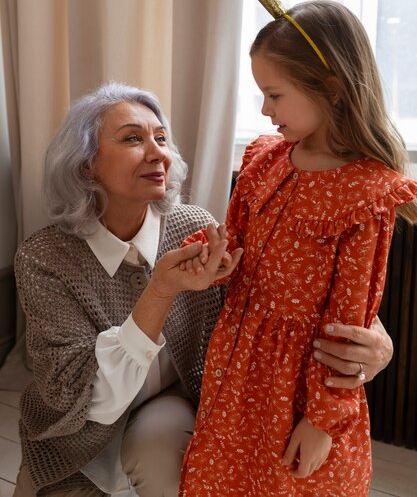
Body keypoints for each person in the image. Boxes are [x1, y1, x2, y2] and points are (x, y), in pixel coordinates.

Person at [13, 82, 393, 497]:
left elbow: (284, 288)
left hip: (174, 403)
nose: (159, 152)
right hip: (76, 428)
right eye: (133, 139)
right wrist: (161, 289)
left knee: (163, 456)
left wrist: (378, 340)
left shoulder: (193, 226)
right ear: (87, 165)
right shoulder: (44, 258)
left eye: (161, 138)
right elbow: (80, 398)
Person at [179, 0, 417, 497]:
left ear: (331, 90)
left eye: (275, 94)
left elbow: (349, 327)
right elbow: (234, 238)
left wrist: (323, 420)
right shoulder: (265, 162)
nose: (264, 110)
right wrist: (207, 256)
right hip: (239, 368)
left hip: (302, 384)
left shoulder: (366, 193)